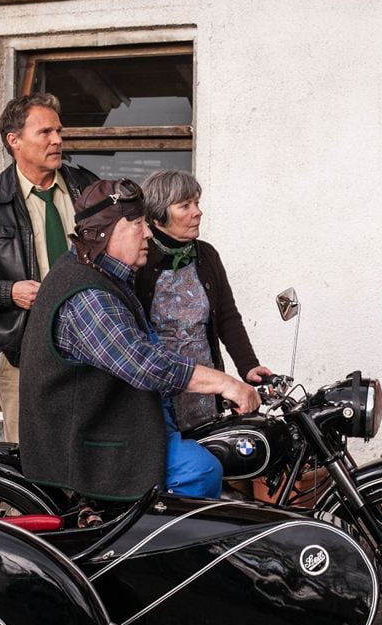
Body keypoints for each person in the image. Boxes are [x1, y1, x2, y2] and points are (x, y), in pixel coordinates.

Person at [19, 179, 260, 503]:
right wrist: (224, 383)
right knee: (200, 470)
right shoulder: (88, 294)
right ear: (107, 232)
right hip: (91, 440)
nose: (147, 233)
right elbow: (143, 363)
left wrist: (246, 368)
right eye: (137, 224)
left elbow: (225, 317)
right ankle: (166, 551)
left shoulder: (106, 274)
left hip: (124, 417)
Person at [0, 93, 98, 442]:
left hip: (94, 350)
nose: (57, 140)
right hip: (25, 354)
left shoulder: (88, 189)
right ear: (14, 141)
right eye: (45, 132)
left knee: (90, 456)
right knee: (30, 460)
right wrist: (7, 291)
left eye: (59, 131)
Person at [135, 169, 271, 431]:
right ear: (158, 215)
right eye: (185, 205)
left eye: (196, 203)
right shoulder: (139, 258)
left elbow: (228, 317)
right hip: (159, 382)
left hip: (205, 381)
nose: (197, 212)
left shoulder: (207, 255)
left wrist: (249, 366)